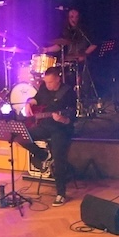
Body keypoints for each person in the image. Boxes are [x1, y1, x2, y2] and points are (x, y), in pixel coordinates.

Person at [25, 68, 76, 206]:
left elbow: (72, 117)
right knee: (20, 136)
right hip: (44, 126)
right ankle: (43, 155)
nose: (47, 85)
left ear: (58, 79)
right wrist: (28, 103)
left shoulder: (68, 92)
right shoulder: (43, 88)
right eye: (46, 82)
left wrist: (62, 119)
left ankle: (61, 194)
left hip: (61, 129)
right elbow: (36, 99)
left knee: (59, 159)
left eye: (50, 82)